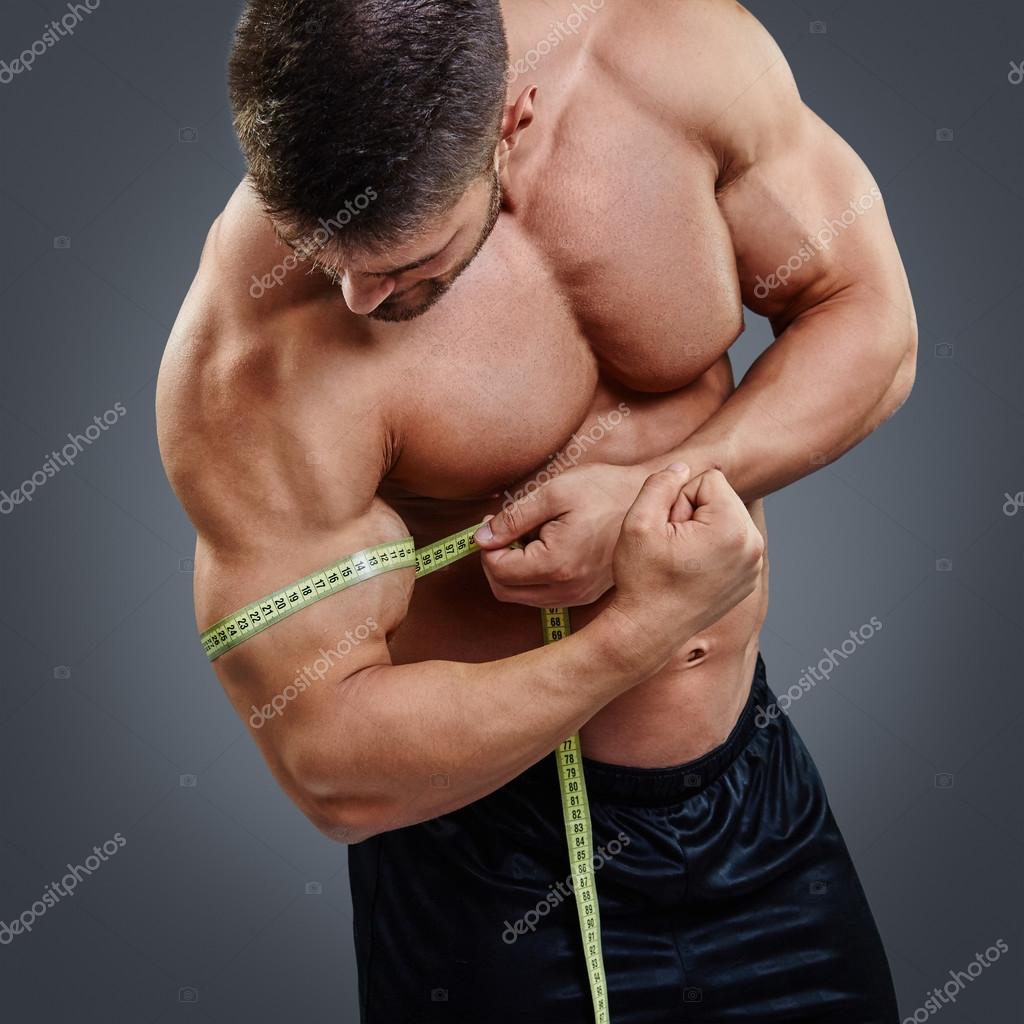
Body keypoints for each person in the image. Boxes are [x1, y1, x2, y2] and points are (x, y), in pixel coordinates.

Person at [157, 1, 916, 1019]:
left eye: (403, 267)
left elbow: (868, 314)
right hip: (486, 875)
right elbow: (327, 758)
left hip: (754, 804)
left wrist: (670, 484)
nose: (354, 303)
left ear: (511, 123)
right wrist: (640, 630)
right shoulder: (252, 344)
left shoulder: (673, 56)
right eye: (327, 255)